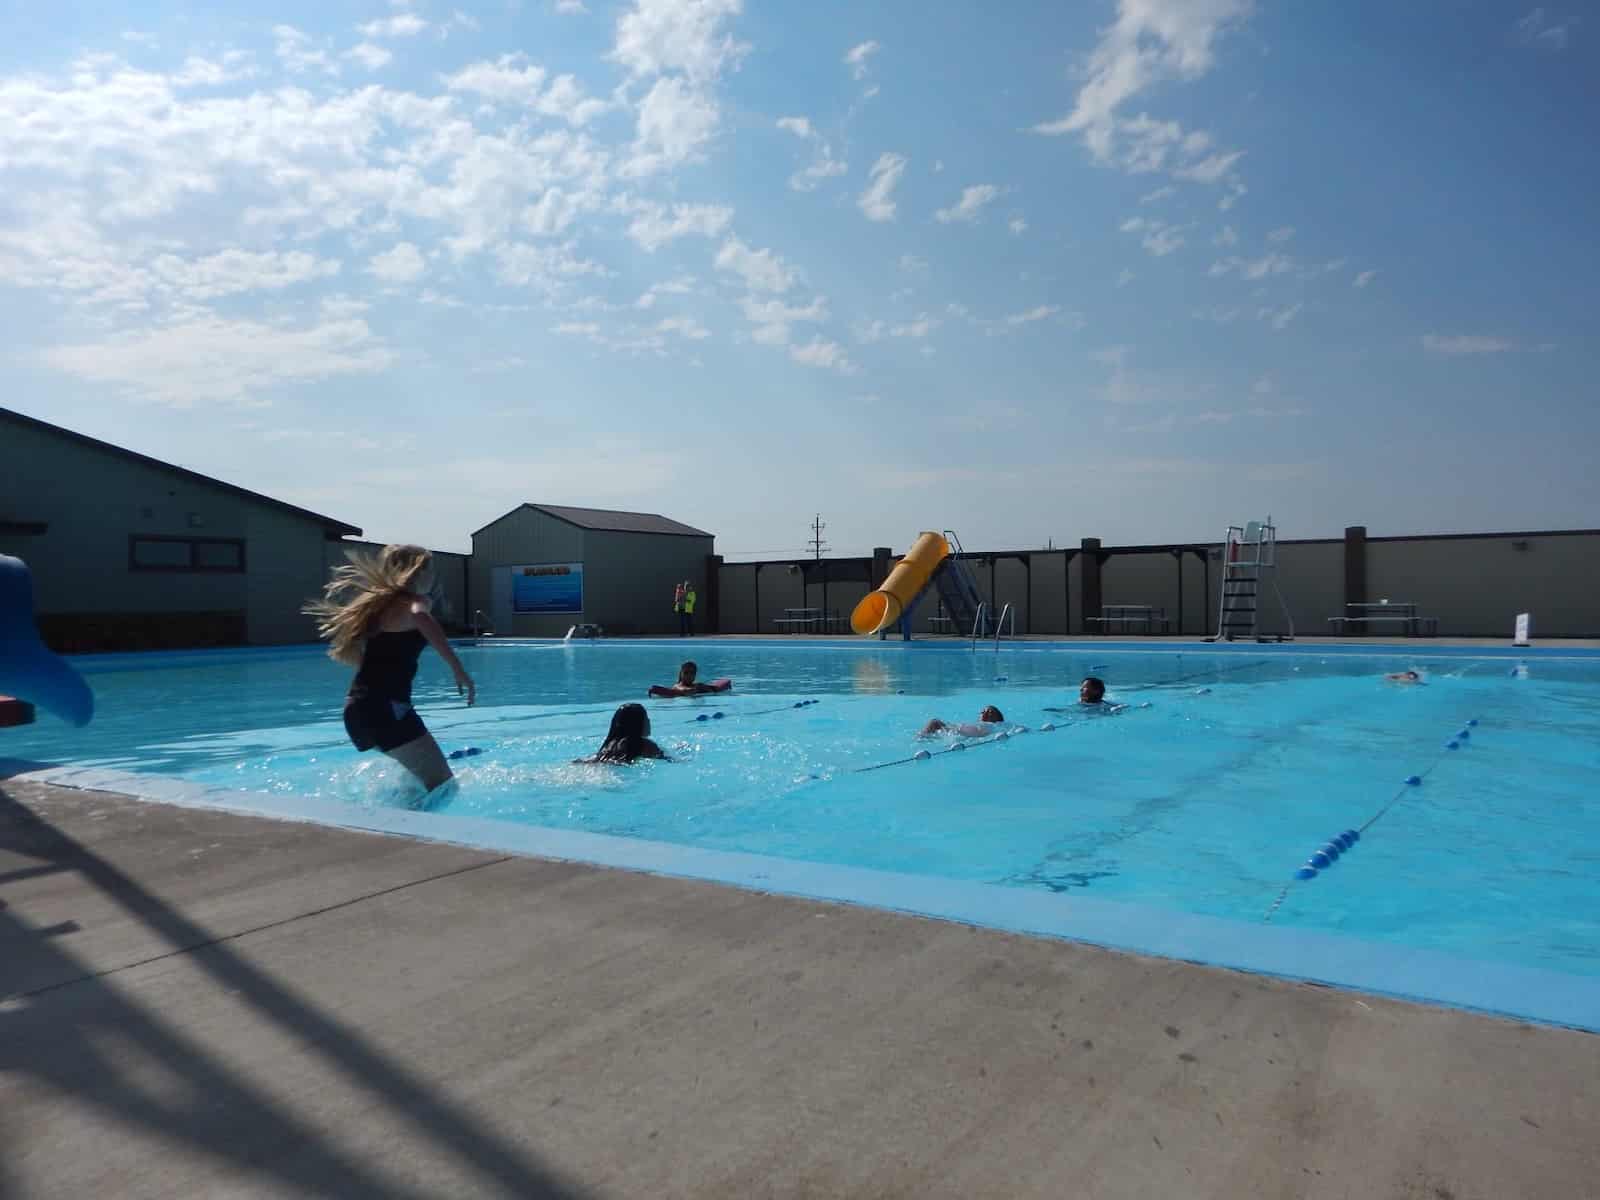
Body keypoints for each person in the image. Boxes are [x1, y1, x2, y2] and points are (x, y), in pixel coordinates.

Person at [305, 544, 476, 795]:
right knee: (444, 788)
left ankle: (382, 825)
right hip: (385, 711)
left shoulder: (379, 608)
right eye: (430, 570)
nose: (433, 576)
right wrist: (458, 669)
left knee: (416, 788)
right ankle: (404, 832)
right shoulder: (414, 603)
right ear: (416, 572)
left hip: (358, 710)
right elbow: (421, 617)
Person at [576, 703, 668, 764]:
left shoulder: (610, 745)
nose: (649, 720)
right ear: (637, 724)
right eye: (646, 718)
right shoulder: (645, 745)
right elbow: (668, 760)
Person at [649, 660, 731, 697]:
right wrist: (695, 689)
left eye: (692, 673)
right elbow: (683, 690)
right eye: (686, 673)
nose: (689, 675)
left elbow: (717, 687)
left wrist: (709, 688)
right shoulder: (677, 686)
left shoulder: (697, 685)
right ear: (681, 674)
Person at [920, 705, 1005, 739]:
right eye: (983, 711)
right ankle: (922, 738)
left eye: (990, 712)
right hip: (956, 733)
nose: (985, 713)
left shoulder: (992, 726)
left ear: (997, 718)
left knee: (934, 722)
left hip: (958, 734)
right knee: (934, 722)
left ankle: (920, 738)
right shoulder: (982, 725)